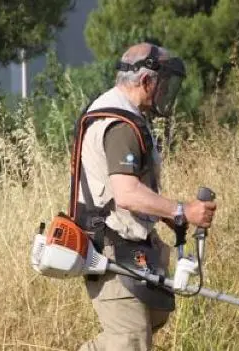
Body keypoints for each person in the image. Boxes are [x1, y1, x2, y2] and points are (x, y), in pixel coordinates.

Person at [74, 42, 217, 350]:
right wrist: (182, 210)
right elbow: (126, 194)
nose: (166, 92)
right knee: (130, 341)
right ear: (146, 81)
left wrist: (168, 215)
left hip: (130, 245)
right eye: (164, 83)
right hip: (111, 247)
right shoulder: (120, 124)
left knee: (153, 317)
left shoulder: (123, 113)